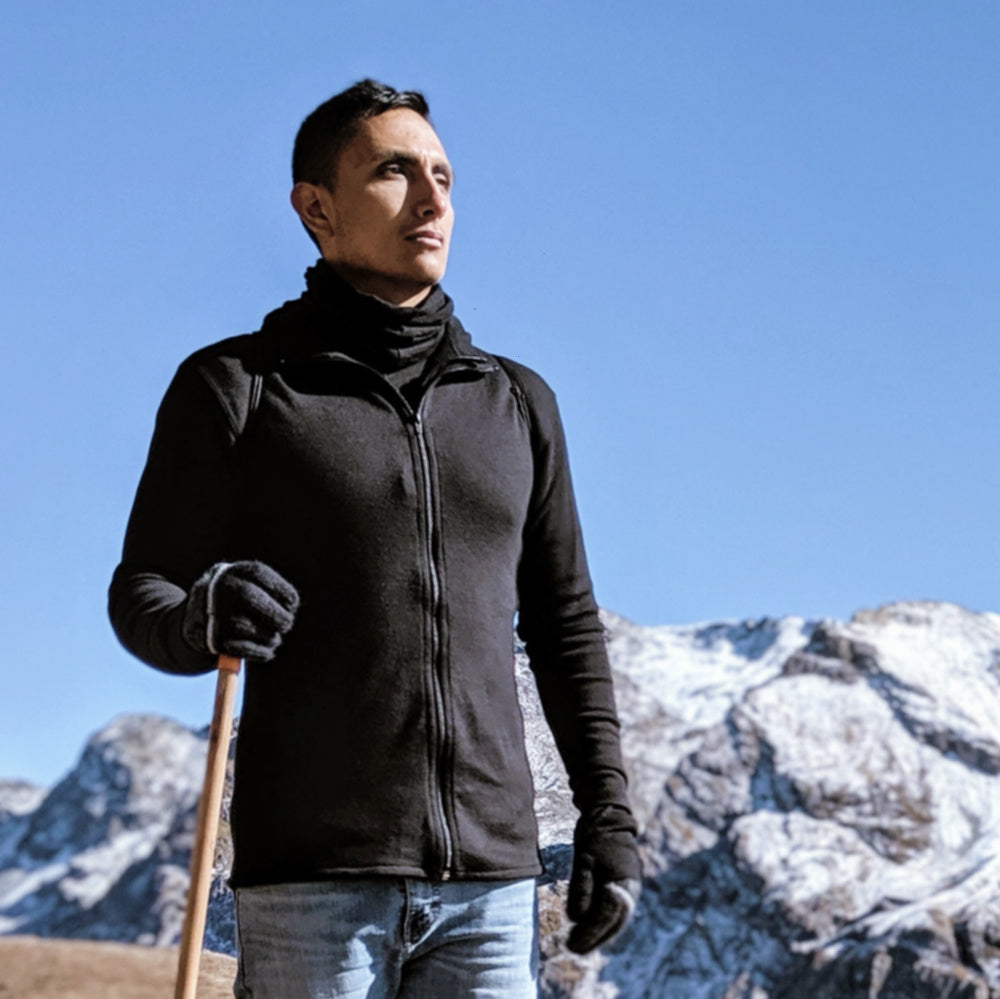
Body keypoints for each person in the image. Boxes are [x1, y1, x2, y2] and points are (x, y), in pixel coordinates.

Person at [109, 78, 640, 999]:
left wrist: (610, 816)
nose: (433, 200)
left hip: (491, 892)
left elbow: (563, 624)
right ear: (315, 207)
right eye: (395, 172)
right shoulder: (236, 387)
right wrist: (201, 614)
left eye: (443, 175)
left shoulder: (517, 404)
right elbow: (142, 590)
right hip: (312, 889)